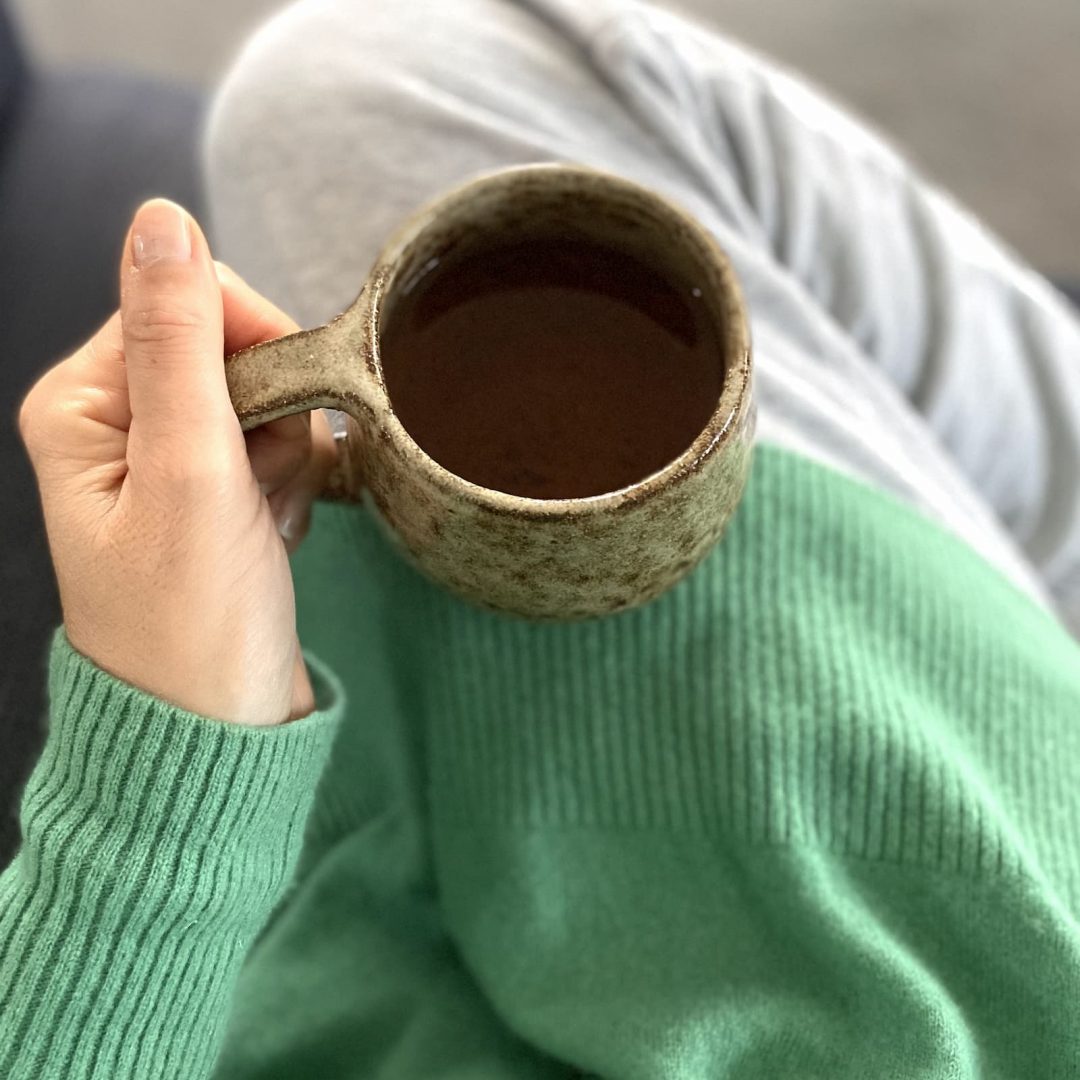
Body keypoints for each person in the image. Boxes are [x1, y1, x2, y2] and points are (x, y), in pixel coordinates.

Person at [2, 0, 1079, 1076]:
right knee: (367, 77)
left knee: (339, 79)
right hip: (1000, 940)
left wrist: (159, 772)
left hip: (290, 882)